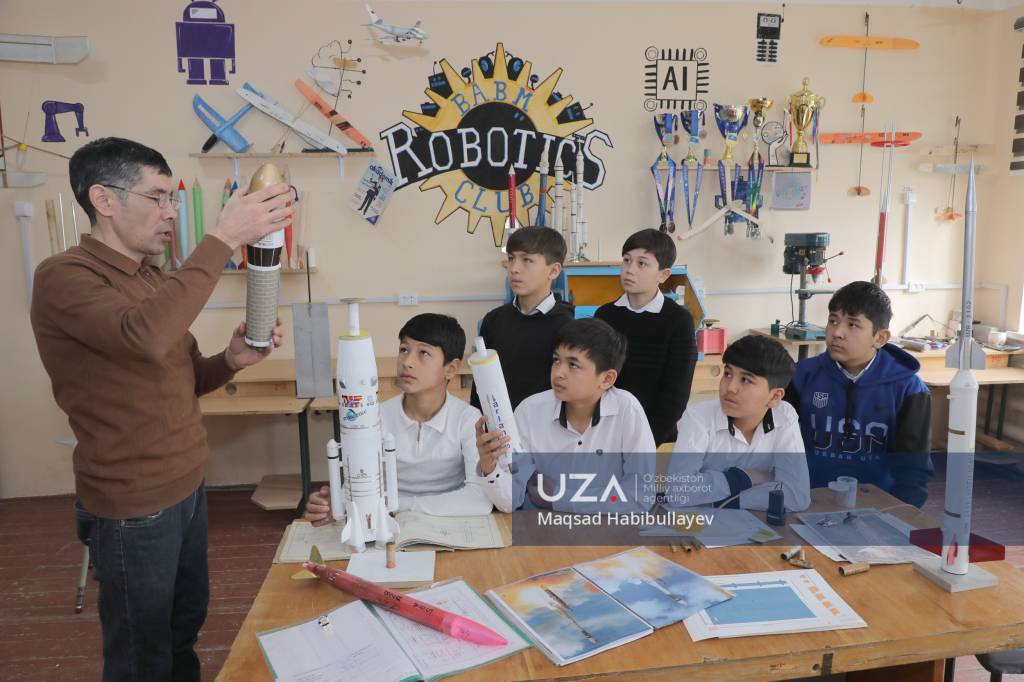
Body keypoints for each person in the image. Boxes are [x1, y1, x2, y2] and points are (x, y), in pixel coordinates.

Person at [30, 137, 293, 682]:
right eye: (158, 197)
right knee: (141, 655)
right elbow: (144, 336)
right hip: (132, 503)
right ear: (104, 199)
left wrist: (232, 360)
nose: (171, 212)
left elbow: (185, 375)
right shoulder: (65, 276)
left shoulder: (151, 278)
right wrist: (224, 237)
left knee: (182, 630)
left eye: (172, 198)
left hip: (187, 486)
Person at [304, 313, 513, 525]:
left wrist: (397, 506)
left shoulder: (467, 419)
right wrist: (333, 506)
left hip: (449, 526)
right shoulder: (375, 417)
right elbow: (355, 493)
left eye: (423, 353)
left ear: (451, 369)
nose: (407, 362)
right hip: (389, 526)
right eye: (404, 350)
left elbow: (478, 501)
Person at [477, 318, 658, 514]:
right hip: (543, 528)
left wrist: (560, 498)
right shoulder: (530, 411)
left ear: (607, 379)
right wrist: (489, 468)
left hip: (608, 528)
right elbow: (511, 501)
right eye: (556, 360)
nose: (558, 373)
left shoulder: (627, 410)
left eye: (573, 365)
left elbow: (640, 497)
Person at [786, 281, 933, 507]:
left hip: (879, 505)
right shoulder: (801, 376)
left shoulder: (909, 389)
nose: (837, 332)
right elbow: (778, 448)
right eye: (833, 321)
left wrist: (897, 515)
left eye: (853, 324)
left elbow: (913, 472)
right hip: (806, 499)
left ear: (880, 338)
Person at [667, 334, 810, 512]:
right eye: (728, 374)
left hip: (752, 522)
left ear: (775, 397)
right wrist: (745, 478)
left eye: (746, 380)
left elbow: (796, 496)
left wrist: (721, 501)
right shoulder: (699, 417)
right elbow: (678, 491)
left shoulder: (784, 416)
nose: (730, 387)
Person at [595, 228, 697, 446]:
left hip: (657, 437)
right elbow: (595, 379)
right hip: (606, 433)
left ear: (663, 274)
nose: (630, 269)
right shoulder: (604, 315)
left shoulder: (678, 320)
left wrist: (645, 443)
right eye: (626, 260)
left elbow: (676, 395)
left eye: (642, 263)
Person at [469, 227, 574, 411]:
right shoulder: (494, 320)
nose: (514, 269)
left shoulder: (568, 326)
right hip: (497, 425)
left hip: (546, 425)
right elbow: (481, 384)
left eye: (527, 260)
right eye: (511, 258)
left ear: (554, 271)